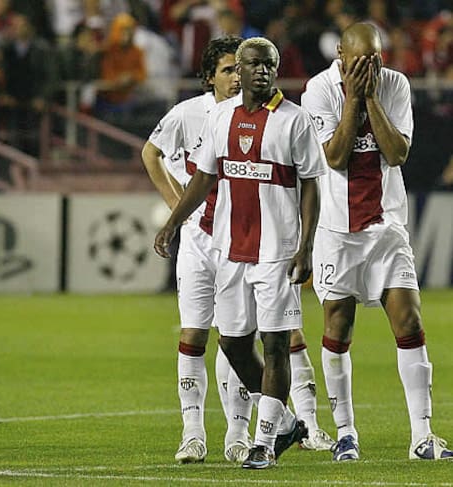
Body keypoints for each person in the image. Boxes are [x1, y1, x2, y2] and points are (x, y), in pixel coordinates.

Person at [143, 35, 333, 463]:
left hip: (276, 251)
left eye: (269, 64)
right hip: (229, 249)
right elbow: (203, 178)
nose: (261, 71)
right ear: (239, 71)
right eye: (252, 64)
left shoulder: (295, 120)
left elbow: (311, 186)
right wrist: (172, 223)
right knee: (231, 343)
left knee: (276, 345)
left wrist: (305, 247)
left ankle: (262, 443)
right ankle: (286, 424)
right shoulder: (220, 117)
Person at [301, 22, 453, 462]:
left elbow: (397, 153)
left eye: (376, 58)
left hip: (387, 228)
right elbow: (335, 156)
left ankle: (422, 435)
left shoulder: (395, 85)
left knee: (409, 320)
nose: (371, 67)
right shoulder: (318, 90)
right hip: (338, 232)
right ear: (341, 57)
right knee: (337, 327)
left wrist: (369, 97)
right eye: (361, 61)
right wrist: (353, 98)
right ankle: (346, 433)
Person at [143, 36, 254, 464]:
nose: (237, 77)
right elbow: (150, 153)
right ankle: (192, 434)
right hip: (198, 242)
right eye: (227, 70)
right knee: (193, 334)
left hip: (241, 242)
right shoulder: (187, 114)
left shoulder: (258, 116)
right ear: (209, 77)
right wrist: (178, 209)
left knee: (235, 339)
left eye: (241, 69)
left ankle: (238, 435)